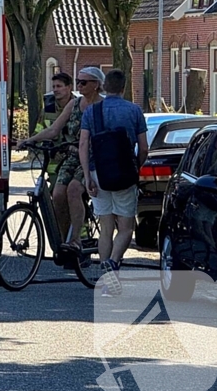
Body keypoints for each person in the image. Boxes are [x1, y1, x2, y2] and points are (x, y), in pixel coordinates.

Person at [79, 68, 148, 297]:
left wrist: (87, 176)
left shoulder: (92, 111)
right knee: (126, 228)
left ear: (104, 87)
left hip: (99, 173)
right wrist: (136, 167)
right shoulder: (134, 110)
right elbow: (144, 147)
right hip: (125, 174)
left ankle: (106, 278)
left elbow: (83, 145)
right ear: (123, 87)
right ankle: (114, 262)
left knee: (106, 227)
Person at [20, 67, 104, 253]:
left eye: (83, 82)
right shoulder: (74, 104)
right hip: (73, 157)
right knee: (57, 195)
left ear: (96, 85)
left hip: (93, 159)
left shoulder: (103, 105)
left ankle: (76, 240)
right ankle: (65, 241)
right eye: (78, 81)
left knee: (74, 190)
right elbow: (53, 129)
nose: (79, 85)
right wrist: (30, 140)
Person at [33, 72, 75, 180]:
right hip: (54, 168)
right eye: (54, 87)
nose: (55, 90)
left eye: (59, 86)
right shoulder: (47, 111)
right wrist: (49, 151)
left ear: (69, 87)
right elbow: (38, 134)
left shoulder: (79, 108)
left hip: (76, 165)